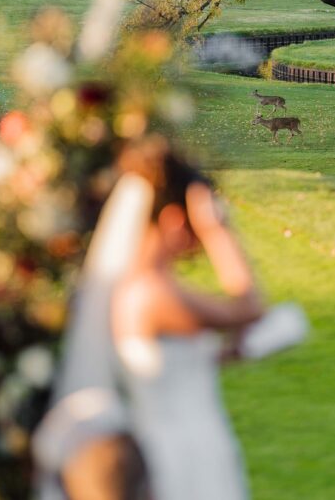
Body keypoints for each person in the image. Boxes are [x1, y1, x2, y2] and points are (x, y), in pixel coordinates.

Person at [108, 141, 264, 500]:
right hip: (182, 452)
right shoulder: (154, 292)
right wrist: (217, 232)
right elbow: (250, 307)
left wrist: (217, 355)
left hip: (176, 444)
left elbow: (162, 365)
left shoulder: (133, 288)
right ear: (176, 219)